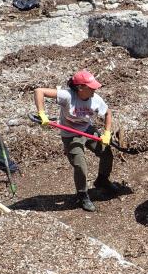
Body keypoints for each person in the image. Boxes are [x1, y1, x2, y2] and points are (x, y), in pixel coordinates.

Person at [34, 70, 118, 212]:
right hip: (70, 134)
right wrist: (42, 113)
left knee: (106, 153)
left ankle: (102, 180)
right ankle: (82, 195)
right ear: (80, 88)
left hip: (87, 129)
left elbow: (108, 113)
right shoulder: (68, 96)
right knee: (80, 165)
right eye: (91, 87)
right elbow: (39, 91)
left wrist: (107, 133)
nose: (94, 89)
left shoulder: (95, 99)